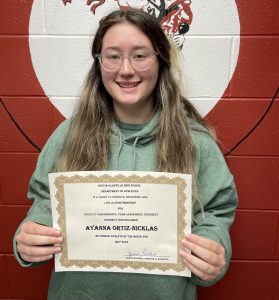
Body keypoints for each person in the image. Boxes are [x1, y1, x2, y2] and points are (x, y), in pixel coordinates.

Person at [14, 9, 238, 300]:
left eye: (140, 55)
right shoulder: (69, 135)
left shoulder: (195, 142)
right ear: (99, 63)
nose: (126, 69)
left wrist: (213, 248)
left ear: (161, 62)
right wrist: (32, 236)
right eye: (113, 56)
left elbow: (216, 213)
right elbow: (44, 203)